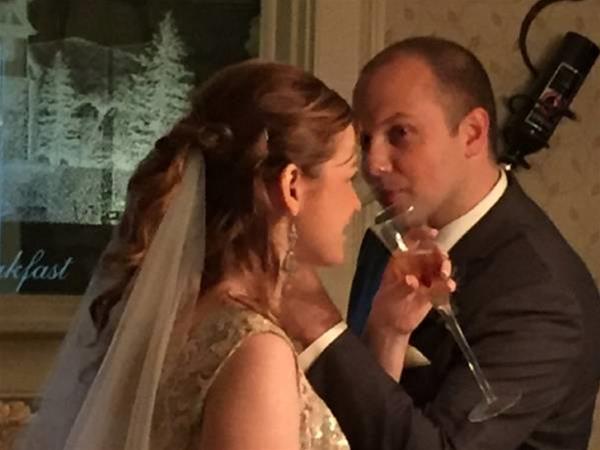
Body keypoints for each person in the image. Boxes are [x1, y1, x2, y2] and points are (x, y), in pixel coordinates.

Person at [17, 60, 453, 450]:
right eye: (347, 176)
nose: (356, 204)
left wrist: (388, 333)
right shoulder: (256, 351)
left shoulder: (189, 316)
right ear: (292, 186)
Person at [279, 37, 600, 450]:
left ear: (472, 134)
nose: (373, 163)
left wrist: (319, 323)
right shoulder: (387, 239)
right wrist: (384, 337)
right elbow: (365, 414)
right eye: (366, 139)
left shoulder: (544, 296)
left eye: (399, 133)